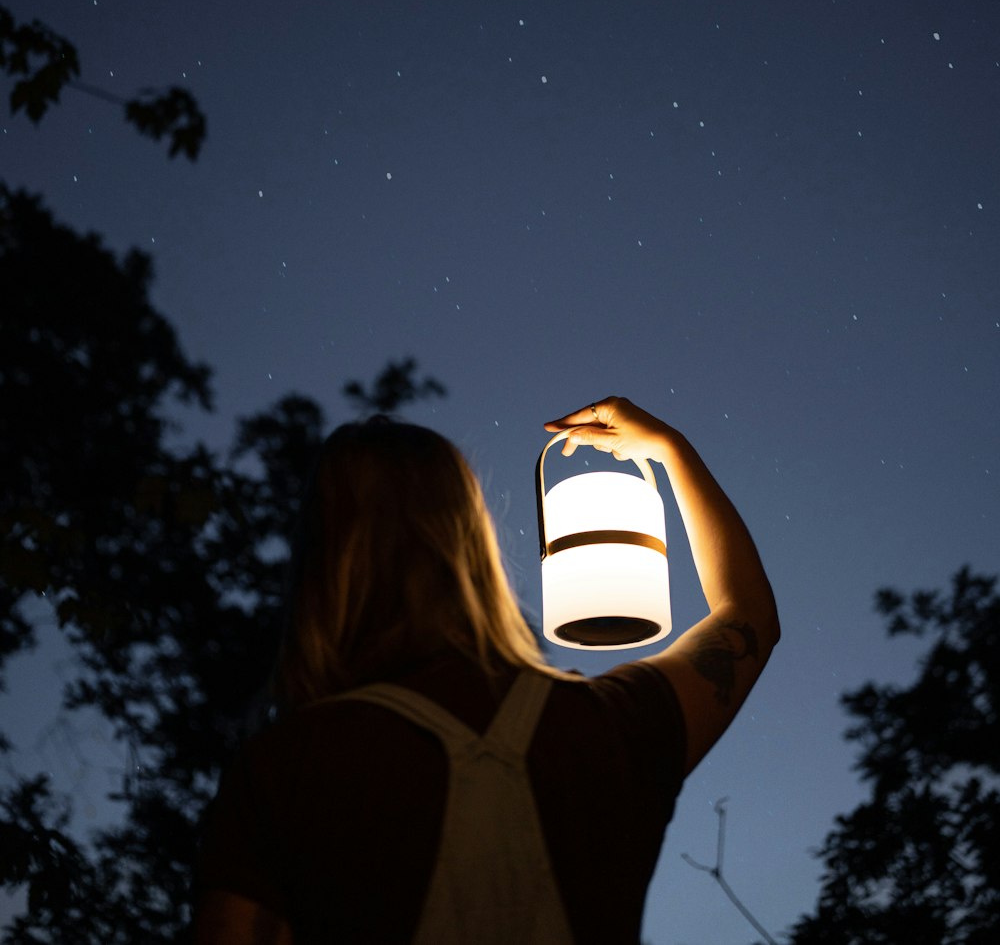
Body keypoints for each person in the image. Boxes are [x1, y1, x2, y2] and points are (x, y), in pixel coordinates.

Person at [193, 396, 780, 944]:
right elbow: (748, 616)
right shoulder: (606, 728)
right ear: (472, 549)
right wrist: (668, 451)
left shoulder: (286, 767)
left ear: (322, 566)